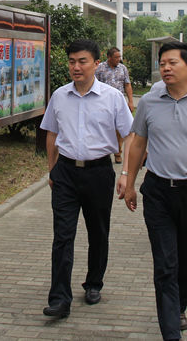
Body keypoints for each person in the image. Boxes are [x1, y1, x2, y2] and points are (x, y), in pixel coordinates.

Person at [123, 41, 187, 340]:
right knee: (165, 263)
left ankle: (179, 305)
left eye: (172, 63)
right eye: (163, 63)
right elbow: (138, 142)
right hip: (157, 191)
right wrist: (130, 183)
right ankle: (171, 331)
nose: (166, 68)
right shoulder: (149, 102)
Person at [40, 39, 133, 318]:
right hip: (66, 172)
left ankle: (94, 282)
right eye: (71, 61)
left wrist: (126, 173)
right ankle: (59, 298)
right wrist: (52, 169)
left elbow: (130, 136)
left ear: (95, 64)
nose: (76, 67)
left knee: (98, 231)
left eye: (82, 61)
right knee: (63, 235)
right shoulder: (59, 96)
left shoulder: (112, 97)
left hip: (99, 172)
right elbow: (51, 134)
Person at [95, 47, 134, 164]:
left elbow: (127, 85)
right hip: (102, 103)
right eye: (116, 57)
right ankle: (103, 152)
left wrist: (131, 101)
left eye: (119, 57)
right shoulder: (100, 68)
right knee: (104, 127)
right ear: (109, 57)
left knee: (119, 128)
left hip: (118, 103)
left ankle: (118, 152)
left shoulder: (122, 68)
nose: (119, 59)